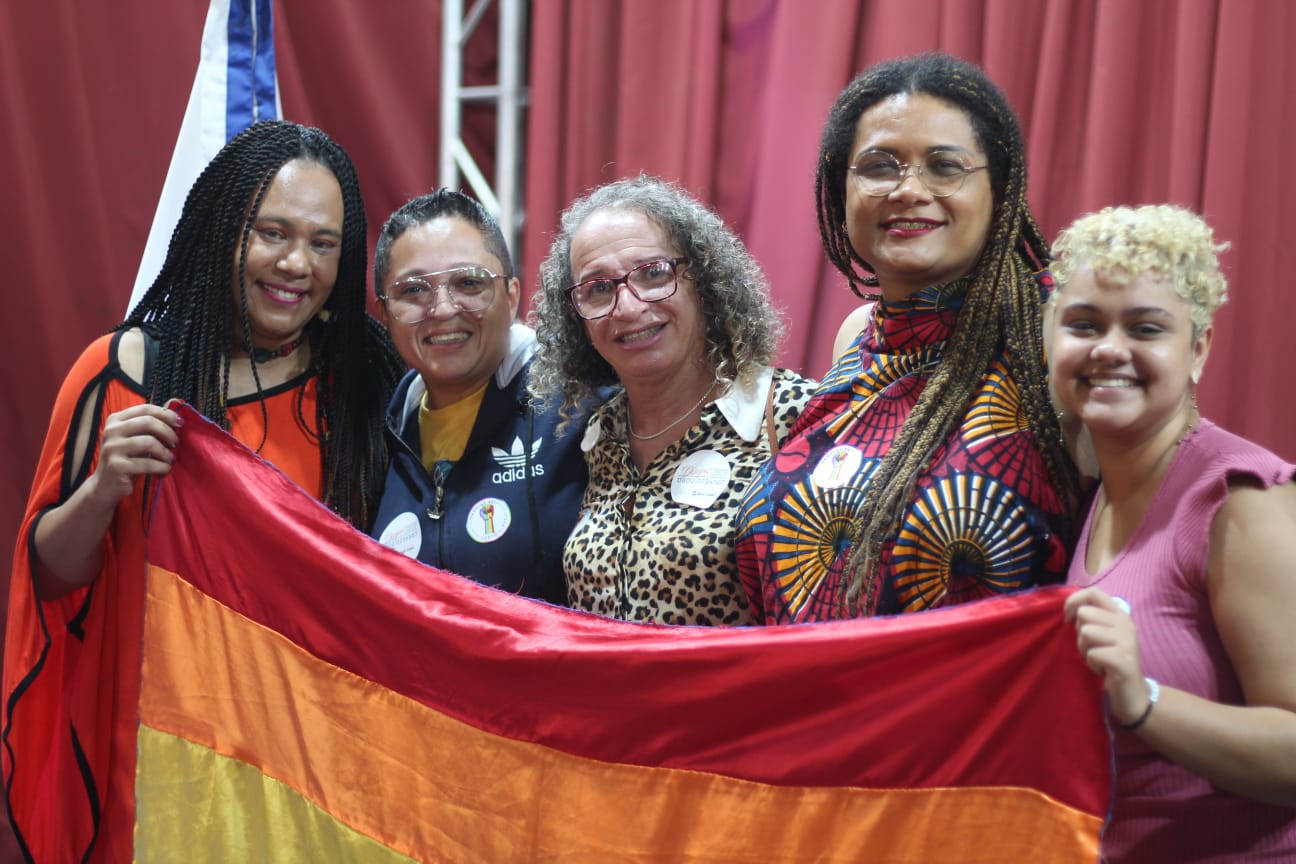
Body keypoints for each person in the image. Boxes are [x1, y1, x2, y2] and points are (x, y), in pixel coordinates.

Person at [3, 120, 405, 862]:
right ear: (222, 229)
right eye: (273, 233)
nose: (297, 264)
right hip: (153, 762)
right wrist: (103, 490)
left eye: (323, 243)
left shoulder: (363, 383)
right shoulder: (122, 371)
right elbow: (50, 577)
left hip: (306, 779)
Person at [735, 52, 1082, 623]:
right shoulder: (858, 338)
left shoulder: (1061, 329)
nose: (909, 189)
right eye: (879, 166)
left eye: (944, 166)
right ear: (841, 190)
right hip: (807, 678)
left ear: (999, 190)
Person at [1055, 205, 1296, 862]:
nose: (1108, 349)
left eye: (1145, 328)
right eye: (1083, 324)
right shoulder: (1093, 484)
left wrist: (1146, 703)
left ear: (1198, 350)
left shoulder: (1242, 499)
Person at [528, 175, 816, 626]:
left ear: (703, 280)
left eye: (653, 273)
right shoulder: (595, 438)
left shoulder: (794, 415)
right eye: (598, 288)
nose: (628, 306)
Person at [369, 189, 588, 604]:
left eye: (468, 282)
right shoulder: (377, 433)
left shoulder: (579, 403)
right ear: (385, 314)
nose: (442, 309)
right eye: (412, 290)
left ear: (511, 295)